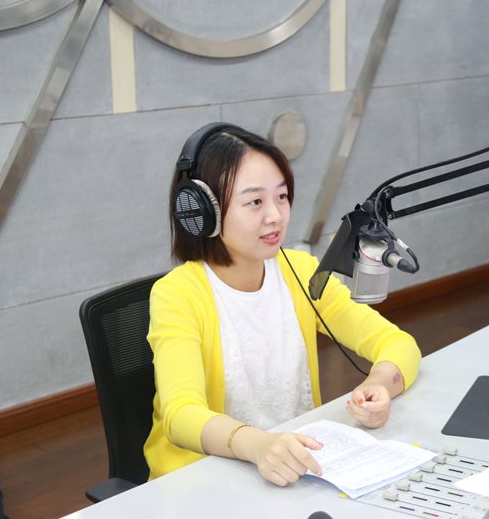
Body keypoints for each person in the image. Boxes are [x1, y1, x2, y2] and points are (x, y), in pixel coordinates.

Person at [144, 123, 421, 487]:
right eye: (255, 202)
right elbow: (180, 415)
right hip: (203, 482)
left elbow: (398, 343)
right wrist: (258, 445)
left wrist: (381, 385)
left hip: (294, 472)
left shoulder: (301, 272)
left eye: (282, 196)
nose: (275, 215)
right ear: (203, 213)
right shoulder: (177, 294)